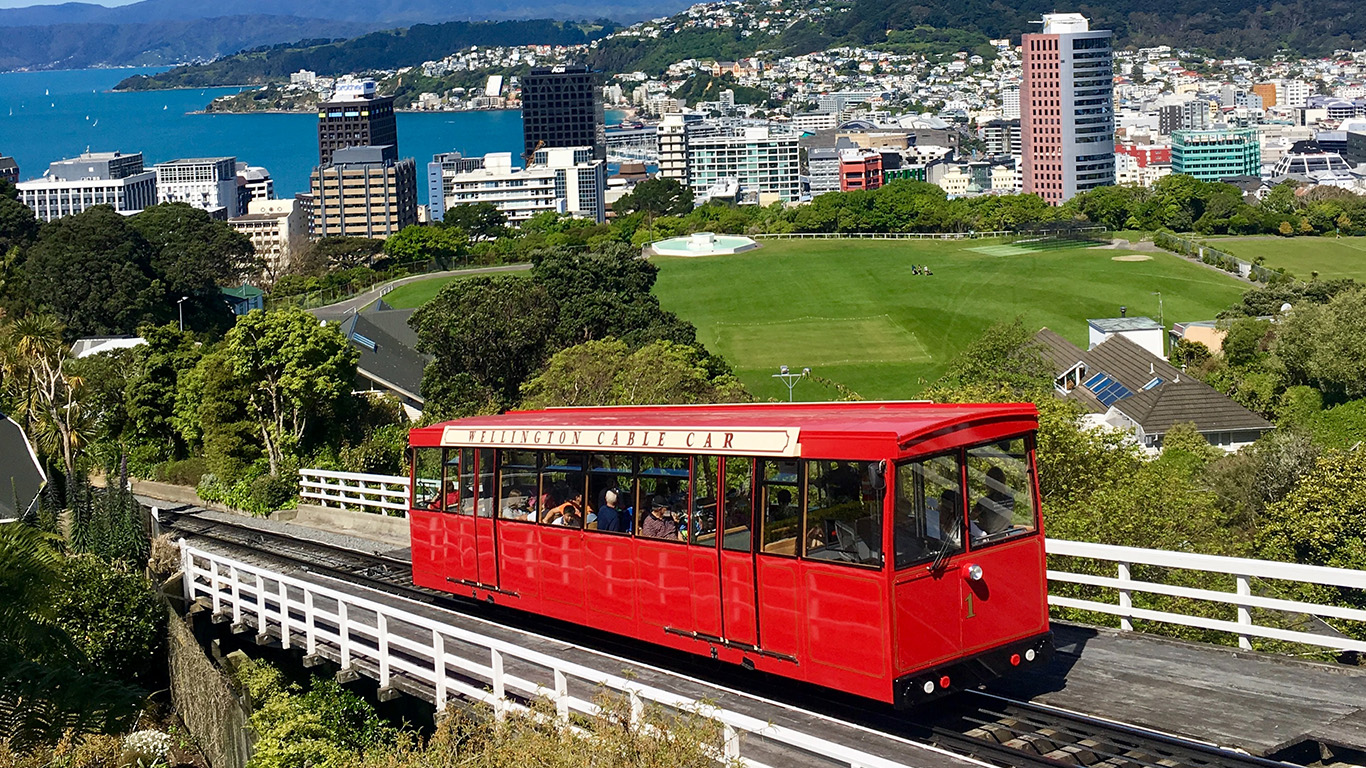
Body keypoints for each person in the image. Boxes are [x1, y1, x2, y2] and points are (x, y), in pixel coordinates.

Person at [972, 466, 1014, 536]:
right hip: (1005, 533)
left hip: (989, 536)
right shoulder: (1010, 498)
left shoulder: (985, 501)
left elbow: (971, 517)